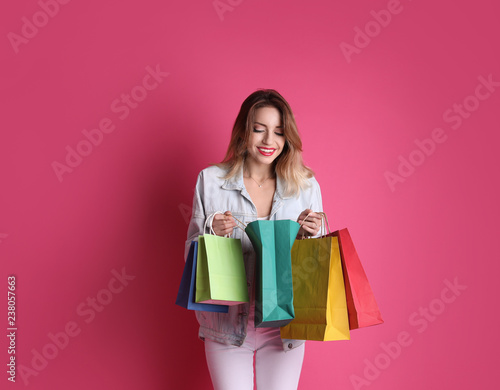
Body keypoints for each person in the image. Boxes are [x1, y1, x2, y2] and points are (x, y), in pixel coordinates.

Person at [185, 89, 324, 390]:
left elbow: (316, 266)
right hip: (226, 328)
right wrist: (212, 233)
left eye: (278, 132)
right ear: (244, 131)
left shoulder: (305, 186)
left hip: (284, 328)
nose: (268, 141)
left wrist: (311, 235)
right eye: (259, 130)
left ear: (288, 138)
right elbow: (190, 257)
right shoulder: (210, 182)